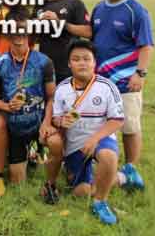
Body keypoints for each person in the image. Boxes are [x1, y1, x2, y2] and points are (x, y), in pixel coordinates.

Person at [91, 0, 154, 190]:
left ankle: (130, 169)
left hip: (127, 80)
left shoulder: (136, 10)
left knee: (129, 126)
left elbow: (146, 46)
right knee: (104, 123)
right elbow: (92, 36)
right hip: (101, 80)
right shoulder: (99, 8)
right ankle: (104, 163)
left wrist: (140, 73)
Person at [0, 21, 63, 202]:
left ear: (29, 36)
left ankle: (38, 155)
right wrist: (6, 107)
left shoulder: (44, 61)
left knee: (54, 141)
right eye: (14, 35)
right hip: (14, 121)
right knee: (17, 181)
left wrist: (46, 122)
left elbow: (52, 97)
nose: (18, 39)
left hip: (38, 119)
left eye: (22, 34)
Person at [53, 39, 125, 225]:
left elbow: (117, 120)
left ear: (94, 62)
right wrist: (61, 120)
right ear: (69, 64)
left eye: (86, 58)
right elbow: (55, 118)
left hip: (100, 139)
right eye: (76, 59)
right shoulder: (62, 89)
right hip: (75, 147)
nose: (82, 63)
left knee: (108, 156)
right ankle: (120, 177)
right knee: (80, 192)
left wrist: (95, 139)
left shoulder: (107, 87)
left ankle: (100, 202)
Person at [33, 0, 91, 83]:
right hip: (45, 68)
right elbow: (34, 39)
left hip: (69, 69)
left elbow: (88, 32)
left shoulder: (74, 3)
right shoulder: (39, 5)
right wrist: (34, 26)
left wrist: (60, 23)